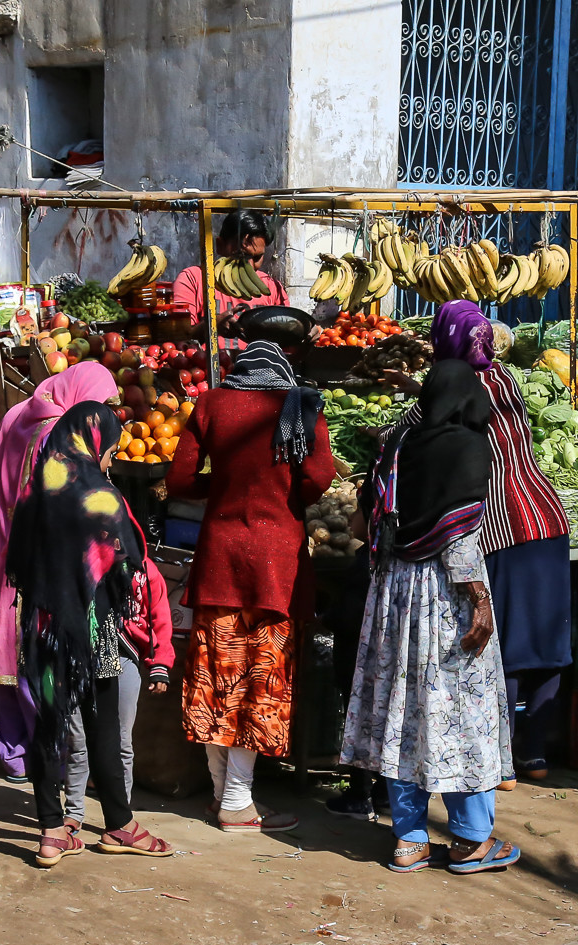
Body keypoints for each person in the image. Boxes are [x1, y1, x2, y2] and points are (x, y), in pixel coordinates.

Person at [341, 359, 521, 874]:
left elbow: (366, 523)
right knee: (460, 712)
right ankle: (468, 841)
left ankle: (409, 840)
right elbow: (460, 541)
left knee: (404, 711)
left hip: (395, 592)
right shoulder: (466, 448)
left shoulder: (398, 446)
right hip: (445, 595)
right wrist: (481, 601)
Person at [382, 301, 571, 784]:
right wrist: (415, 387)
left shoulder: (460, 387)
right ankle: (534, 755)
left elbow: (413, 429)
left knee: (496, 639)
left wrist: (392, 424)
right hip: (546, 517)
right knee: (545, 644)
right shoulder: (502, 378)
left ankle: (500, 762)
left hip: (501, 523)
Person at [166, 339, 335, 833]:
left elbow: (179, 480)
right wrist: (284, 494)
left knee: (219, 675)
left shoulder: (212, 402)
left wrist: (219, 489)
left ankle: (224, 794)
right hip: (276, 563)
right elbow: (319, 478)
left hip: (220, 556)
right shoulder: (300, 403)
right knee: (261, 679)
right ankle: (237, 802)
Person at [6, 402, 174, 865]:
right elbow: (129, 558)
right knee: (103, 724)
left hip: (43, 624)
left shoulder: (39, 483)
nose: (109, 461)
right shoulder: (101, 493)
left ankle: (50, 831)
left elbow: (17, 555)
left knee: (48, 723)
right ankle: (120, 825)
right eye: (111, 451)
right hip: (93, 627)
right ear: (95, 442)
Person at [0, 364, 119, 782]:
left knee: (1, 653)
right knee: (34, 655)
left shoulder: (19, 412)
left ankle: (13, 754)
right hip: (30, 554)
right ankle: (52, 760)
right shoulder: (59, 434)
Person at [62, 554, 175, 834]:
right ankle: (73, 814)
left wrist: (159, 664)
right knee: (78, 742)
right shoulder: (77, 561)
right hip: (77, 657)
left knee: (121, 743)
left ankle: (120, 819)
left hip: (124, 659)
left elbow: (159, 619)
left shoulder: (145, 572)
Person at [172, 209, 288, 360]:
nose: (250, 265)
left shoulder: (271, 288)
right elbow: (178, 339)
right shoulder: (193, 279)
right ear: (220, 246)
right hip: (207, 375)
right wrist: (211, 325)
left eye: (258, 257)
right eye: (242, 255)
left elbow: (286, 348)